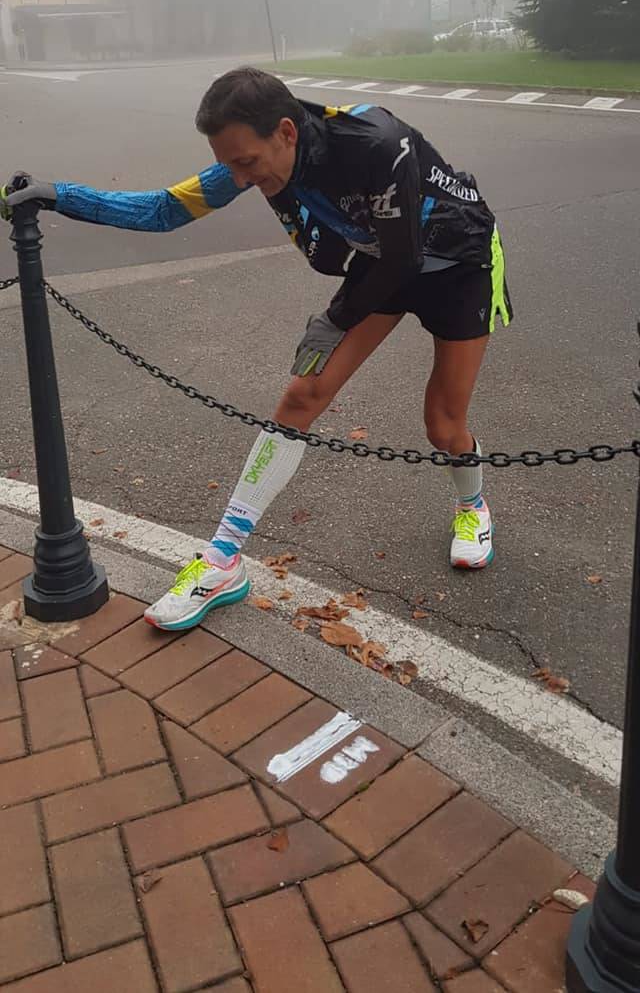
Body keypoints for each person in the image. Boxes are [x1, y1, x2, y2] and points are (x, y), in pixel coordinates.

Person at [1, 67, 512, 632]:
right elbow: (164, 210)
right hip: (384, 258)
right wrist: (58, 196)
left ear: (287, 133)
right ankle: (223, 561)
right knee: (301, 395)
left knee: (443, 424)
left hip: (458, 263)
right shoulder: (254, 154)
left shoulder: (375, 146)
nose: (238, 177)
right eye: (229, 163)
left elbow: (403, 259)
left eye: (245, 163)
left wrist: (334, 317)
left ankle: (471, 507)